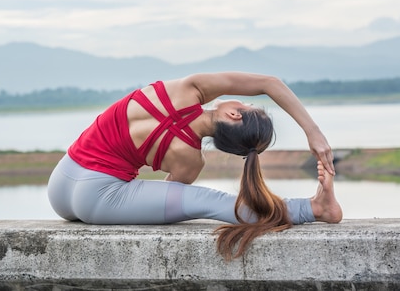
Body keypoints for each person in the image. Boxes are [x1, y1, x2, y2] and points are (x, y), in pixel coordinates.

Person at [47, 72, 343, 260]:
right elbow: (164, 200)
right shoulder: (190, 160)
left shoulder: (187, 88)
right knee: (207, 201)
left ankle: (314, 207)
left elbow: (270, 83)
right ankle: (313, 208)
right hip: (98, 201)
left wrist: (312, 133)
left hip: (60, 184)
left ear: (234, 113)